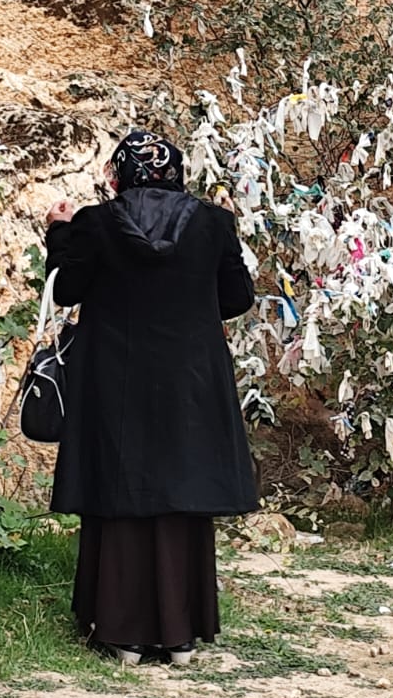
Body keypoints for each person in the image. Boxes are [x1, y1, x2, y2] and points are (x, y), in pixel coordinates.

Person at [43, 128, 258, 666]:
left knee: (119, 494)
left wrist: (59, 234)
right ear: (177, 173)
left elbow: (65, 291)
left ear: (120, 173)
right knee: (182, 494)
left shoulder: (95, 224)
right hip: (190, 382)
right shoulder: (213, 223)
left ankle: (123, 634)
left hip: (114, 381)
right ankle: (180, 637)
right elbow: (237, 297)